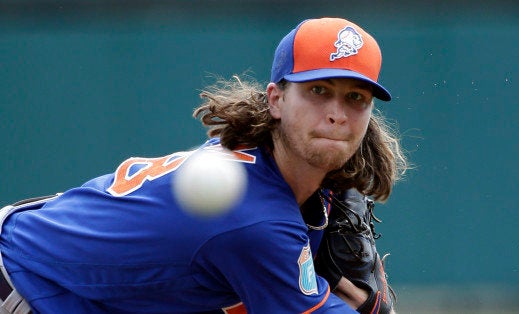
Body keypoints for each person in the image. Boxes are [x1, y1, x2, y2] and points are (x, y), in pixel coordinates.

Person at [0, 17, 407, 313]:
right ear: (276, 99)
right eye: (318, 90)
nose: (337, 113)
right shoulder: (254, 218)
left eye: (356, 98)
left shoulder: (267, 166)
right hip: (22, 284)